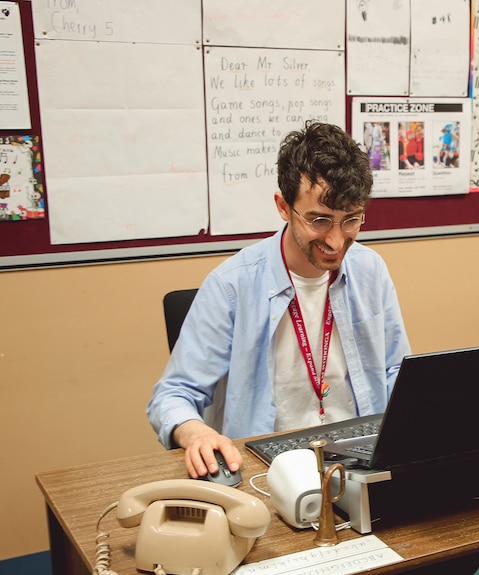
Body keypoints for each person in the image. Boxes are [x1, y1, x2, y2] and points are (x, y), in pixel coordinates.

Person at [147, 121, 411, 481]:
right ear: (284, 207)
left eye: (350, 220)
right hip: (266, 469)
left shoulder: (370, 270)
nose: (336, 241)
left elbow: (395, 370)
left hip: (361, 460)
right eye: (320, 221)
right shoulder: (231, 285)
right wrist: (197, 433)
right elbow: (172, 395)